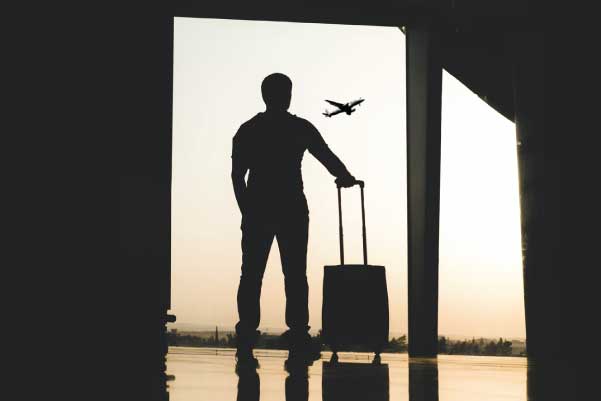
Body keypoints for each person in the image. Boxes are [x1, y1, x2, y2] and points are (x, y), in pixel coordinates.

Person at [231, 73, 357, 366]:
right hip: (291, 208)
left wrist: (246, 211)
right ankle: (298, 335)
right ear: (288, 95)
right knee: (295, 275)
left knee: (251, 275)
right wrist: (345, 176)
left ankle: (247, 336)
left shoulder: (248, 130)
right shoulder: (299, 128)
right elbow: (325, 155)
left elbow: (238, 176)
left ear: (264, 96)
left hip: (258, 208)